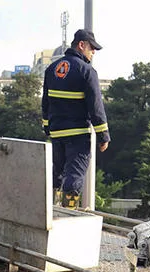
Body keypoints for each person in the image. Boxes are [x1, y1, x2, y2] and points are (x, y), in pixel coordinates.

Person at [42, 28, 110, 209]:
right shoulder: (87, 71)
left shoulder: (52, 69)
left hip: (56, 133)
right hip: (78, 134)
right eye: (91, 48)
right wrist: (103, 136)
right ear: (81, 45)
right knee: (74, 174)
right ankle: (68, 213)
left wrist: (47, 127)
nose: (93, 52)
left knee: (56, 173)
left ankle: (51, 211)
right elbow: (96, 107)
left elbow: (45, 102)